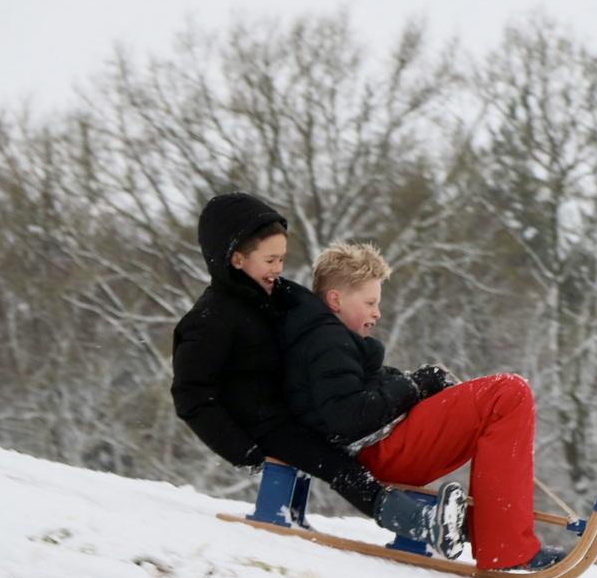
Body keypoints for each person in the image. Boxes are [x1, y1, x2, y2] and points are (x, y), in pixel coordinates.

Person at [171, 192, 465, 558]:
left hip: (295, 406)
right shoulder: (209, 320)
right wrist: (243, 450)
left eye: (282, 258)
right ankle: (417, 522)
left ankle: (447, 519)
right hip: (263, 426)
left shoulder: (275, 296)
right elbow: (191, 395)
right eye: (271, 259)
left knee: (357, 440)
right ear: (236, 258)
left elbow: (320, 326)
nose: (279, 267)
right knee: (341, 468)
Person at [277, 242, 566, 571]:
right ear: (336, 299)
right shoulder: (327, 344)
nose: (377, 312)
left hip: (388, 445)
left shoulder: (330, 342)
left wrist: (419, 385)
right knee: (508, 393)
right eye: (370, 302)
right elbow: (348, 418)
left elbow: (362, 396)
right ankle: (505, 546)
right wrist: (413, 386)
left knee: (499, 401)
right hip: (382, 452)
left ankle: (496, 533)